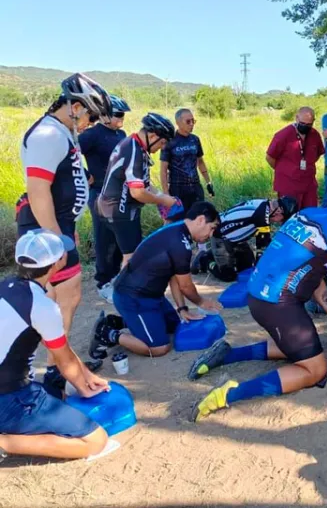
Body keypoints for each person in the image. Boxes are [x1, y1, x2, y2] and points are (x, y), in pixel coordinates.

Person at [189, 176, 327, 422]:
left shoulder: (307, 215)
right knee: (315, 370)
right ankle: (230, 394)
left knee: (294, 346)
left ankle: (227, 355)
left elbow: (314, 274)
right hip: (279, 305)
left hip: (258, 297)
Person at [16, 73, 113, 397]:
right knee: (64, 298)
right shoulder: (48, 134)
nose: (91, 123)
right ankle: (55, 374)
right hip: (47, 228)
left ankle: (54, 367)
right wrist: (55, 242)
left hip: (56, 227)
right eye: (90, 115)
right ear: (73, 107)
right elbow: (38, 191)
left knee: (58, 300)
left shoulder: (61, 132)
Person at [0, 230, 110, 462]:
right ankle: (4, 442)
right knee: (96, 440)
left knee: (57, 395)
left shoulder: (7, 285)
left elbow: (60, 350)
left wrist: (86, 374)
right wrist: (84, 387)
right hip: (9, 396)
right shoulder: (41, 306)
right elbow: (63, 360)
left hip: (9, 386)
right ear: (57, 263)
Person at [89, 202, 223, 359]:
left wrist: (182, 309)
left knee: (174, 325)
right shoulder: (180, 243)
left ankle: (118, 322)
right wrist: (201, 302)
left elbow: (175, 277)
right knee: (159, 348)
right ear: (200, 220)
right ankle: (106, 333)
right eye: (212, 227)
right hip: (132, 297)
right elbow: (186, 286)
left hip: (151, 295)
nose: (211, 234)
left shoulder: (180, 231)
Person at [98, 113, 179, 267]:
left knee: (126, 257)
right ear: (153, 135)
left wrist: (162, 197)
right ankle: (125, 290)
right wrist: (162, 200)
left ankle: (120, 287)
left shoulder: (135, 146)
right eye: (162, 143)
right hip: (119, 209)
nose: (161, 148)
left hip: (116, 207)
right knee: (131, 258)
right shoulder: (133, 150)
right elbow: (138, 192)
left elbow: (145, 185)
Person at [79, 95, 130, 302]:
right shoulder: (92, 135)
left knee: (119, 237)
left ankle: (117, 276)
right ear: (105, 115)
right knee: (104, 238)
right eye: (118, 114)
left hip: (120, 193)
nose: (121, 118)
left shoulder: (121, 134)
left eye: (123, 114)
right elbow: (68, 154)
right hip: (99, 193)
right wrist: (83, 174)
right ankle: (103, 282)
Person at [192, 196, 300, 282]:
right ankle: (204, 261)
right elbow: (262, 246)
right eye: (282, 219)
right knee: (228, 275)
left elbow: (262, 242)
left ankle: (216, 255)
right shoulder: (262, 215)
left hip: (238, 239)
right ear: (278, 212)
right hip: (221, 237)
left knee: (246, 268)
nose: (280, 222)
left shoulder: (265, 206)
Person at [266, 106, 325, 209]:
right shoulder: (283, 135)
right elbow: (270, 157)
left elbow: (318, 153)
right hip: (288, 185)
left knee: (310, 215)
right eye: (302, 123)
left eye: (309, 124)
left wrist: (307, 165)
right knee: (290, 217)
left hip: (308, 184)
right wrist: (283, 169)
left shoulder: (314, 135)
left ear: (313, 122)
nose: (305, 126)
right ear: (297, 118)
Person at [160, 108, 214, 212]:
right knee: (180, 221)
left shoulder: (195, 139)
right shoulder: (169, 142)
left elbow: (200, 161)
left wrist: (208, 182)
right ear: (178, 122)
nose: (191, 124)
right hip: (178, 189)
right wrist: (166, 193)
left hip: (195, 187)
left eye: (193, 121)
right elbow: (163, 170)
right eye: (188, 121)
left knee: (199, 219)